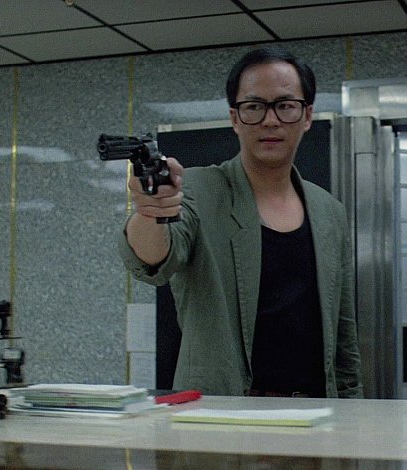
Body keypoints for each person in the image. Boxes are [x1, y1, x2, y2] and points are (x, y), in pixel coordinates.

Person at [117, 46, 363, 398]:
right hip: (222, 413)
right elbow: (154, 259)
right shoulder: (199, 190)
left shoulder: (329, 211)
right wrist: (151, 209)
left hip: (316, 413)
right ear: (235, 118)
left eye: (285, 105)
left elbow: (344, 337)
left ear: (307, 116)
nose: (270, 120)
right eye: (254, 107)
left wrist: (354, 409)